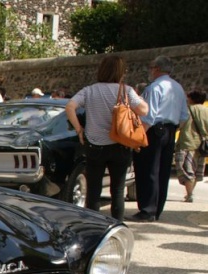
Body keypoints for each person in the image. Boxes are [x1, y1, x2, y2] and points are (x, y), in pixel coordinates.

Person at [66, 55, 148, 222]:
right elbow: (144, 111)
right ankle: (117, 224)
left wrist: (79, 129)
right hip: (120, 144)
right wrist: (140, 99)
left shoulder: (89, 90)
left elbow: (70, 106)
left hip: (94, 144)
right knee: (117, 189)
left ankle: (93, 226)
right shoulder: (126, 90)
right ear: (120, 72)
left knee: (93, 190)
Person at [131, 56, 189, 222]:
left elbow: (148, 117)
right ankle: (157, 209)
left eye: (151, 67)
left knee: (147, 169)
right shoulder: (178, 88)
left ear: (156, 68)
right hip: (170, 130)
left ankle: (147, 209)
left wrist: (139, 138)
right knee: (163, 171)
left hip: (154, 130)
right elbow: (184, 115)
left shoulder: (154, 88)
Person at [174, 89, 208, 203]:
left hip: (187, 142)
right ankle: (190, 193)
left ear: (192, 99)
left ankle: (189, 195)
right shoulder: (206, 110)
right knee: (197, 169)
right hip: (202, 145)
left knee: (187, 169)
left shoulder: (188, 110)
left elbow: (179, 125)